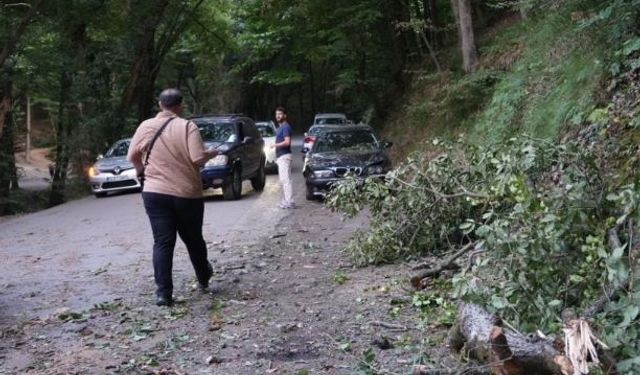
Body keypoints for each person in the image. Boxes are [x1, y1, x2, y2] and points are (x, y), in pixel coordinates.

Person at [127, 88, 219, 306]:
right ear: (180, 105)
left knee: (162, 242)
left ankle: (163, 294)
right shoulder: (188, 126)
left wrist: (141, 170)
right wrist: (212, 153)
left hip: (154, 193)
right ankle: (203, 277)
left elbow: (132, 156)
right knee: (193, 238)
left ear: (160, 104)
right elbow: (197, 158)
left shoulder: (145, 126)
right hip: (186, 193)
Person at [272, 107, 295, 209]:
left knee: (286, 180)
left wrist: (275, 145)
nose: (278, 116)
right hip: (281, 157)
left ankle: (289, 201)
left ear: (285, 116)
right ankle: (287, 200)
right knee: (284, 179)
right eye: (277, 114)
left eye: (280, 114)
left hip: (284, 156)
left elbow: (287, 142)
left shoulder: (285, 127)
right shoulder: (280, 128)